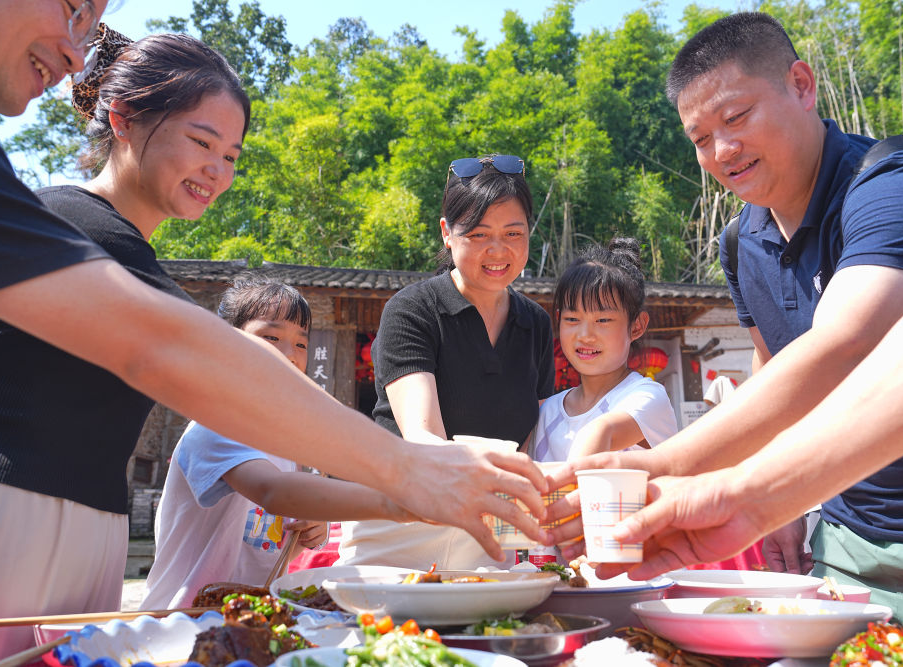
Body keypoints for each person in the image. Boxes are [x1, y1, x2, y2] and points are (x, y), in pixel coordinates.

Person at [0, 4, 548, 659]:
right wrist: (405, 472)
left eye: (232, 155)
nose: (218, 170)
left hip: (81, 529)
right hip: (14, 516)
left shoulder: (124, 250)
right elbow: (178, 353)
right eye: (201, 142)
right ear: (124, 118)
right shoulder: (73, 224)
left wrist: (403, 485)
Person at [548, 11, 903, 624]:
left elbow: (845, 347)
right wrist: (781, 502)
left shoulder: (897, 186)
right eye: (699, 139)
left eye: (737, 117)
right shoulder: (740, 242)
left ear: (801, 85)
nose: (722, 151)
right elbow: (772, 361)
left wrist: (667, 465)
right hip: (847, 541)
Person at [594, 257, 903, 588]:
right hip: (844, 537)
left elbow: (862, 346)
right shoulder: (742, 243)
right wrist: (761, 501)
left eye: (603, 320)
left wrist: (746, 493)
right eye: (571, 319)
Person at [142, 274, 421, 610]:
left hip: (247, 616)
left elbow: (266, 539)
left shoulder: (281, 444)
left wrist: (310, 530)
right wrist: (399, 502)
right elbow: (272, 492)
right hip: (183, 615)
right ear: (226, 343)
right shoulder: (216, 425)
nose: (290, 355)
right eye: (271, 337)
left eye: (301, 344)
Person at [336, 155, 556, 570]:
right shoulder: (413, 310)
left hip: (489, 532)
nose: (498, 250)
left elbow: (534, 433)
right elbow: (423, 439)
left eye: (513, 233)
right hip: (402, 525)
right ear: (446, 233)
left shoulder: (536, 323)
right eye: (479, 234)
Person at [529, 238, 677, 463]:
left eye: (603, 320)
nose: (585, 335)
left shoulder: (647, 397)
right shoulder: (547, 411)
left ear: (636, 326)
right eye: (572, 319)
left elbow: (601, 432)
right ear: (559, 320)